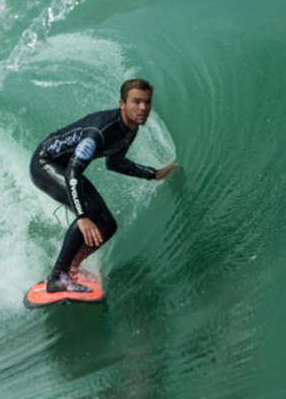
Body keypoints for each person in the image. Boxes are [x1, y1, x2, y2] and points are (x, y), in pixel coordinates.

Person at [30, 78, 178, 293]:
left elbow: (114, 162)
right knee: (89, 211)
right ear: (122, 104)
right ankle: (57, 277)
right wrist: (82, 216)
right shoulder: (99, 133)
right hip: (45, 163)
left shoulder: (130, 127)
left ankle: (72, 268)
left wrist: (153, 174)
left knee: (108, 225)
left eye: (147, 102)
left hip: (66, 167)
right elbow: (73, 171)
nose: (143, 108)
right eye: (136, 102)